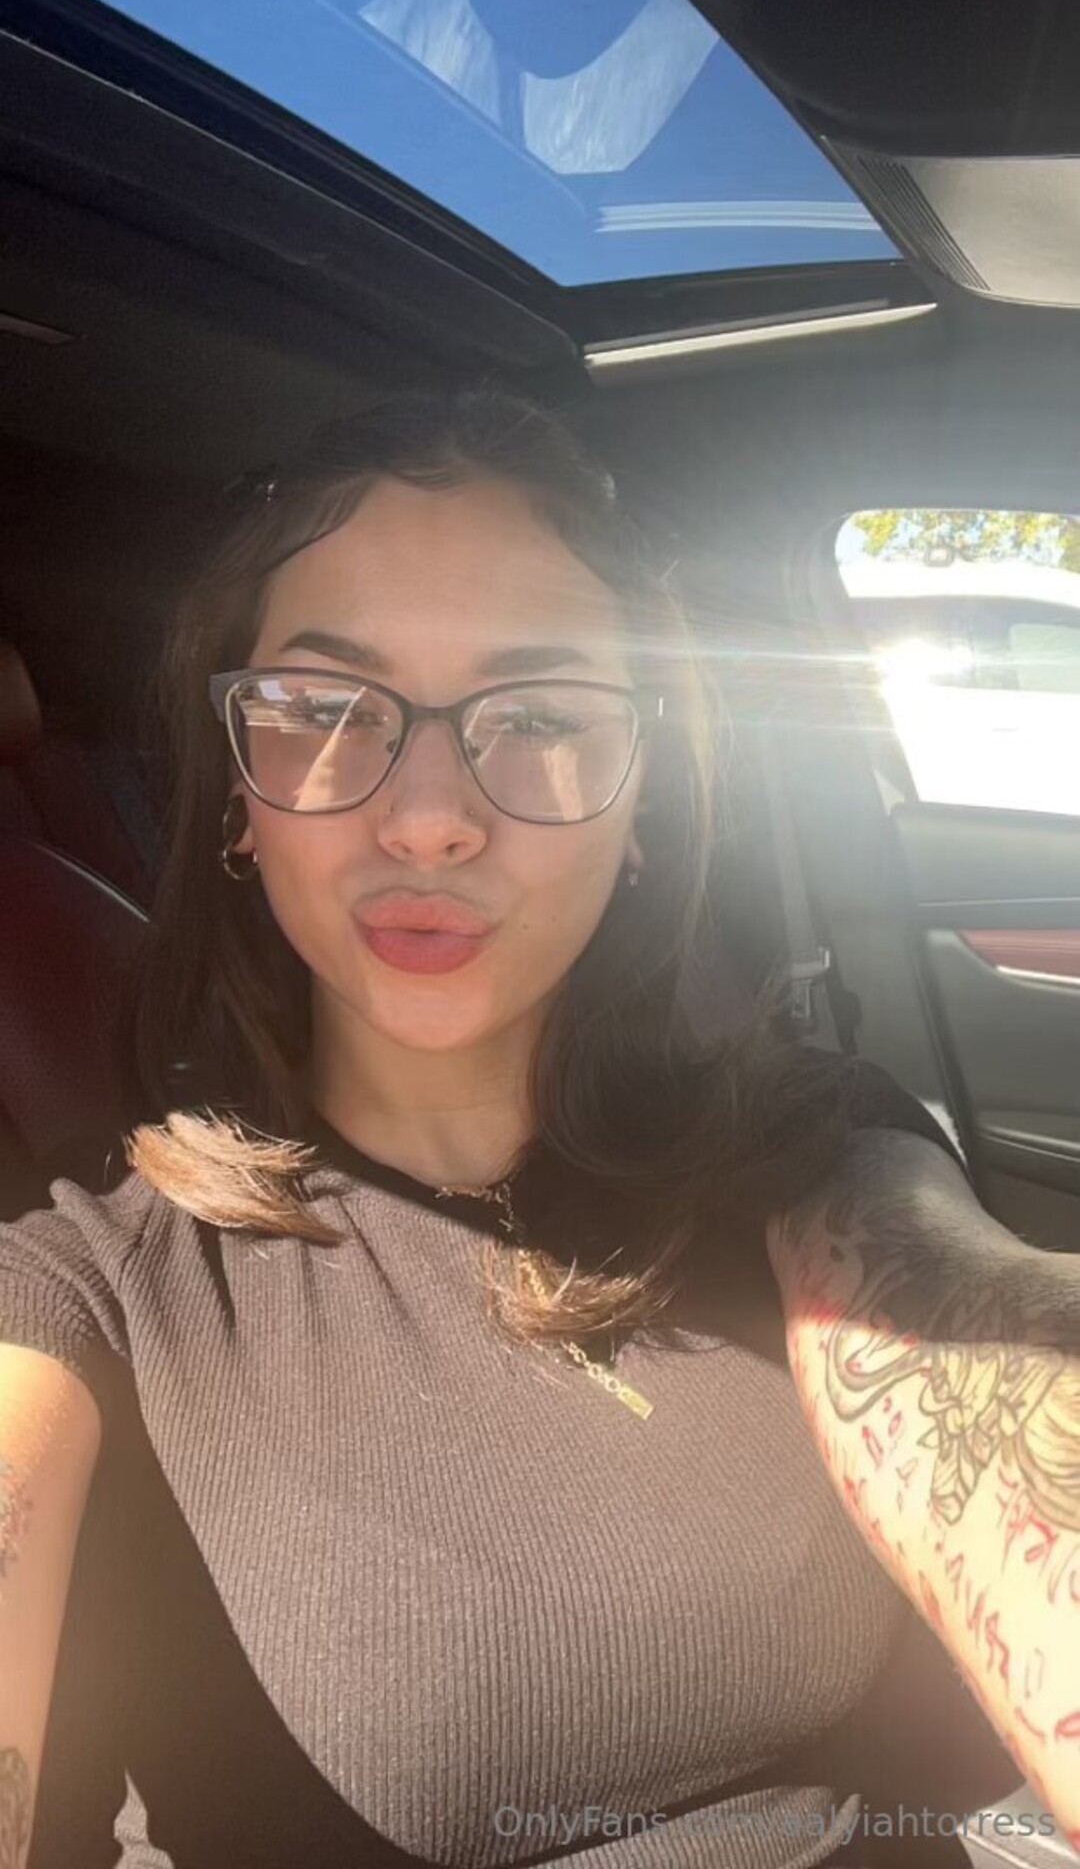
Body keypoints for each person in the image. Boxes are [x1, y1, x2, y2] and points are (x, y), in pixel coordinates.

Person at [0, 386, 1073, 1869]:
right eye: (326, 712)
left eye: (543, 719)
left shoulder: (808, 1153)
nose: (430, 819)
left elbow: (976, 1339)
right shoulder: (90, 1290)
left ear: (640, 806)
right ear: (240, 793)